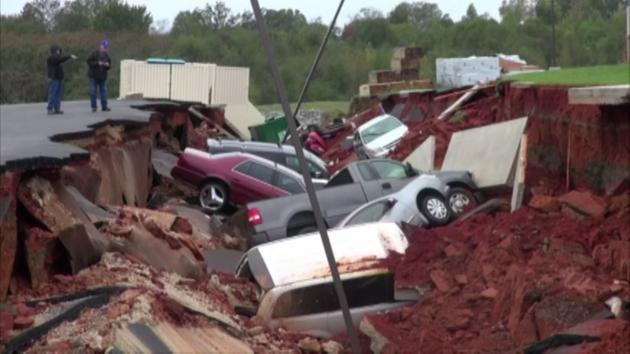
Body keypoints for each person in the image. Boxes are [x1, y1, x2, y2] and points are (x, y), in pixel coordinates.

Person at [46, 45, 77, 115]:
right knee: (52, 94)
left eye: (59, 51)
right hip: (53, 79)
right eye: (57, 50)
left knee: (58, 94)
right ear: (54, 51)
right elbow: (59, 59)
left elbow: (60, 59)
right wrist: (69, 56)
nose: (59, 52)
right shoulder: (51, 58)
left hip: (59, 79)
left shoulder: (57, 59)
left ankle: (57, 108)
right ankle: (50, 108)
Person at [87, 39, 111, 112]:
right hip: (93, 76)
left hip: (102, 76)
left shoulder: (107, 55)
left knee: (103, 91)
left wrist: (107, 65)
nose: (104, 48)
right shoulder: (94, 53)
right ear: (100, 46)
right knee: (93, 91)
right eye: (104, 46)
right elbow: (89, 62)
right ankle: (94, 107)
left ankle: (104, 106)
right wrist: (97, 63)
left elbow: (109, 66)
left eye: (106, 47)